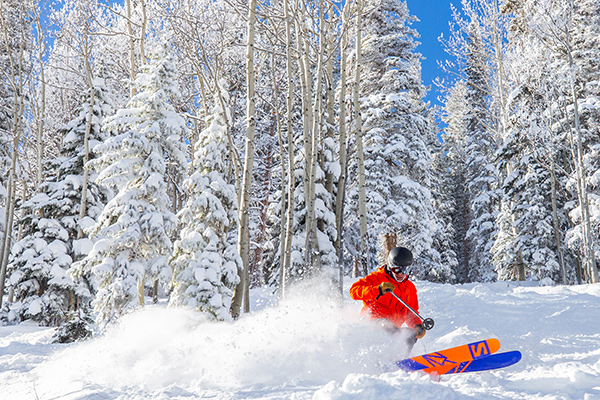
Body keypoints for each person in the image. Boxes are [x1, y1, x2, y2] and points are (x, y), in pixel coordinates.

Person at [349, 246, 426, 353]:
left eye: (405, 269)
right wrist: (378, 290)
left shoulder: (410, 288)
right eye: (396, 269)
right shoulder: (377, 278)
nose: (401, 274)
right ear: (390, 266)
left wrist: (417, 326)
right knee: (385, 325)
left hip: (392, 329)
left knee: (409, 335)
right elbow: (354, 291)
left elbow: (411, 312)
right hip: (372, 323)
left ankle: (400, 361)